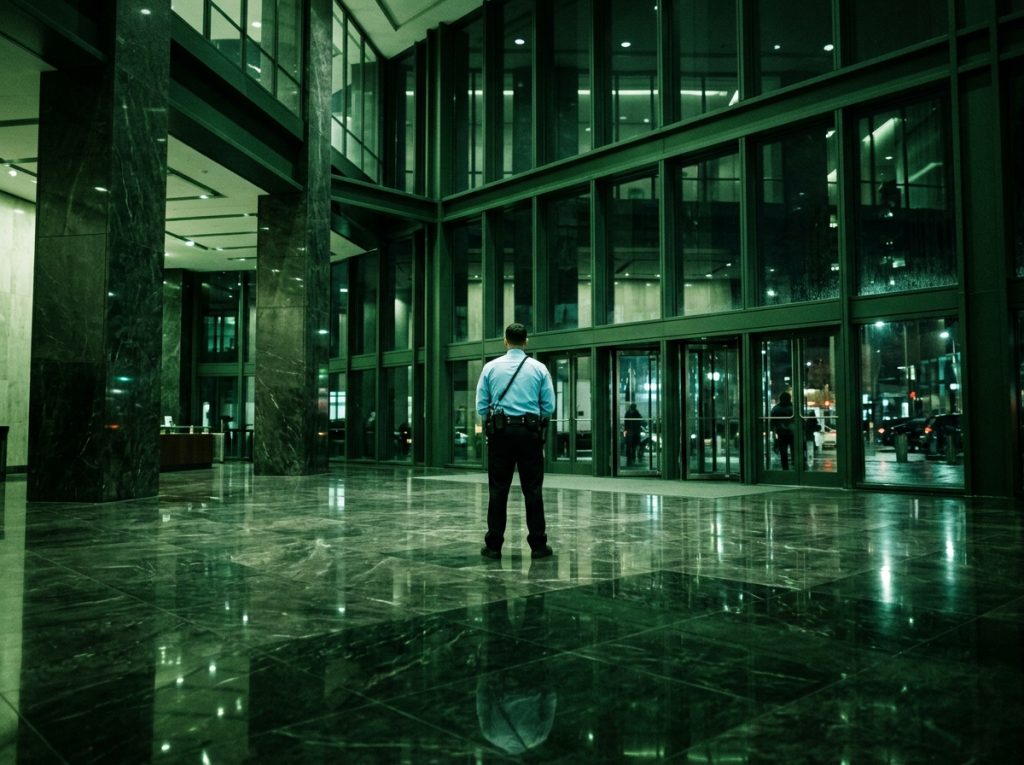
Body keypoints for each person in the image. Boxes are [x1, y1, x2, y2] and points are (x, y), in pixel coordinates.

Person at [476, 323, 556, 560]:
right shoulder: (539, 368)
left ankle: (493, 546)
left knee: (498, 489)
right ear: (526, 342)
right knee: (532, 490)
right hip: (529, 433)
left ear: (505, 341)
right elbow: (549, 406)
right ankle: (538, 546)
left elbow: (481, 405)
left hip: (500, 434)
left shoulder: (490, 368)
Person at [770, 391, 795, 469]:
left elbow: (772, 423)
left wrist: (775, 434)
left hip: (781, 433)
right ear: (789, 399)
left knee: (783, 453)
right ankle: (796, 466)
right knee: (795, 450)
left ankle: (785, 468)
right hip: (793, 433)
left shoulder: (776, 409)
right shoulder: (793, 408)